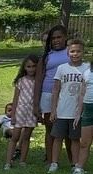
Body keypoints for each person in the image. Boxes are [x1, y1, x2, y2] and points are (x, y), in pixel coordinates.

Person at [49, 39, 89, 174]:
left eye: (78, 51)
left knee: (75, 139)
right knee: (57, 137)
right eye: (72, 51)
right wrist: (53, 109)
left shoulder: (87, 68)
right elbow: (55, 90)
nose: (75, 54)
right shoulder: (62, 68)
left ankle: (75, 163)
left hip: (78, 112)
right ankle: (54, 163)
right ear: (68, 53)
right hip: (62, 110)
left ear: (83, 52)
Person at [35, 25, 70, 165]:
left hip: (68, 96)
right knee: (51, 129)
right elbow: (38, 80)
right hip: (48, 95)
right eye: (53, 38)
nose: (56, 40)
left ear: (65, 37)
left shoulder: (71, 52)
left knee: (68, 130)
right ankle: (50, 161)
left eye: (59, 37)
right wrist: (35, 104)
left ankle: (73, 161)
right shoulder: (46, 57)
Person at [4, 55, 38, 170]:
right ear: (24, 67)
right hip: (20, 111)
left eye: (34, 66)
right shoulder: (21, 81)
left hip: (31, 112)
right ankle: (8, 162)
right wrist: (13, 115)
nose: (31, 69)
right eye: (29, 66)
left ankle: (23, 160)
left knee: (26, 137)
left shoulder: (38, 82)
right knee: (15, 137)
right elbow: (15, 98)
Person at [74, 50, 93, 174]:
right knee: (84, 142)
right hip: (88, 109)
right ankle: (79, 169)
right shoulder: (87, 72)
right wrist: (78, 113)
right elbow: (81, 94)